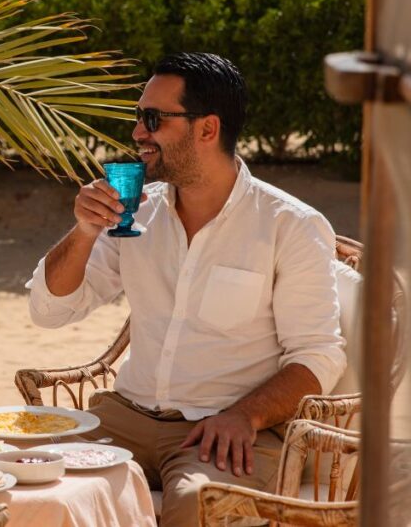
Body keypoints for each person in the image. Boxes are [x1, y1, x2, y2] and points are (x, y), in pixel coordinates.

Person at [27, 52, 346, 526]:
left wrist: (244, 416)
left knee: (196, 505)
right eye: (138, 117)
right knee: (35, 485)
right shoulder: (136, 213)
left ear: (207, 129)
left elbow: (318, 356)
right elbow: (49, 310)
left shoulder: (288, 226)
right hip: (125, 417)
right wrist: (84, 231)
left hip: (222, 433)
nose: (138, 133)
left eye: (153, 119)